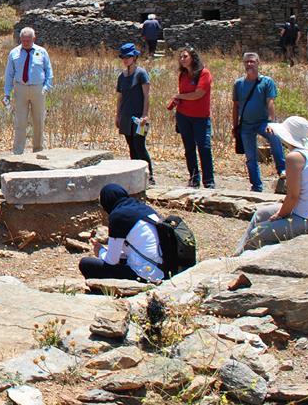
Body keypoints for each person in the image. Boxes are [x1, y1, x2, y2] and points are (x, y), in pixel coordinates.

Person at [234, 116, 308, 254]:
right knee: (260, 215)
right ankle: (237, 254)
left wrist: (280, 214)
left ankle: (243, 262)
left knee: (257, 233)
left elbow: (293, 196)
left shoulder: (294, 158)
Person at [78, 184, 165, 282]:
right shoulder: (145, 209)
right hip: (164, 268)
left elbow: (112, 261)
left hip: (147, 274)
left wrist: (100, 251)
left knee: (86, 264)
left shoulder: (118, 217)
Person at [232, 52, 287, 193]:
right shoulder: (238, 84)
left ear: (258, 63)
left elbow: (270, 102)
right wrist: (235, 126)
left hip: (263, 122)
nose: (249, 64)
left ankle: (282, 170)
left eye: (252, 61)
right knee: (251, 157)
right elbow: (236, 106)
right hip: (246, 125)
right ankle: (256, 186)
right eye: (247, 62)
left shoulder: (267, 82)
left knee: (275, 138)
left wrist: (271, 123)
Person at [168, 46, 215, 188]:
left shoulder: (204, 73)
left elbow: (198, 94)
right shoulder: (182, 75)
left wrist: (179, 96)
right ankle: (194, 178)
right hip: (184, 116)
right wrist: (177, 100)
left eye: (185, 56)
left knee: (204, 148)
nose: (182, 59)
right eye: (181, 57)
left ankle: (209, 181)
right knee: (189, 148)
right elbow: (184, 94)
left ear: (193, 58)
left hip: (200, 117)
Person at [3, 27, 54, 155]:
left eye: (28, 40)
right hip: (20, 89)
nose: (26, 43)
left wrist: (47, 87)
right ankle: (18, 151)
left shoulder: (42, 52)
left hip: (38, 89)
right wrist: (7, 93)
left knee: (38, 120)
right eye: (23, 40)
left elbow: (49, 71)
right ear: (20, 39)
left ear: (34, 39)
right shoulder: (14, 53)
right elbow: (9, 74)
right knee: (20, 121)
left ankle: (38, 150)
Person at [115, 43, 154, 185]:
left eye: (128, 57)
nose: (125, 60)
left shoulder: (141, 73)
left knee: (140, 147)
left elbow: (146, 96)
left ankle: (149, 177)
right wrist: (117, 115)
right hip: (126, 116)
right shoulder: (121, 76)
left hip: (139, 118)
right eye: (123, 57)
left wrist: (145, 115)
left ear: (134, 57)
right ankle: (136, 177)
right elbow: (120, 97)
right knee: (131, 147)